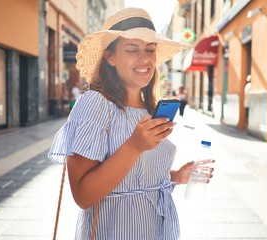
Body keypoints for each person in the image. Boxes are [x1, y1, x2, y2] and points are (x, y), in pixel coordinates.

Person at [48, 7, 214, 240]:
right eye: (132, 50)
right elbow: (83, 195)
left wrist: (175, 176)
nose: (144, 58)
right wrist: (134, 146)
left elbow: (136, 176)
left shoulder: (149, 108)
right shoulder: (95, 104)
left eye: (150, 49)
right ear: (110, 57)